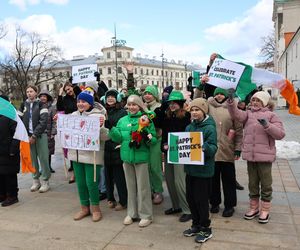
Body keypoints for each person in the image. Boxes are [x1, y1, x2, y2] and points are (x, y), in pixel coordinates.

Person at [227, 90, 285, 223]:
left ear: (264, 102)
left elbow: (280, 134)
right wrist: (231, 101)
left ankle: (265, 210)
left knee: (266, 184)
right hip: (251, 156)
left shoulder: (271, 115)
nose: (254, 102)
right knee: (252, 183)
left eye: (258, 100)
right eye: (253, 100)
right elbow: (236, 114)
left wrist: (267, 125)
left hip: (265, 157)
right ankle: (254, 208)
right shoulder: (248, 114)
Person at [109, 95, 157, 227]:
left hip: (141, 158)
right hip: (127, 158)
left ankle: (146, 215)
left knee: (143, 188)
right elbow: (118, 138)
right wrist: (111, 129)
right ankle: (131, 213)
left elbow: (153, 140)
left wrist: (146, 134)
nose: (131, 107)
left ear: (139, 106)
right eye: (129, 105)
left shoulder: (146, 119)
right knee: (130, 187)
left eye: (134, 104)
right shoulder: (122, 120)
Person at [68, 90, 109, 222]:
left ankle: (96, 208)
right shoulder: (73, 115)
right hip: (77, 155)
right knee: (80, 183)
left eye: (84, 101)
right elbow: (66, 132)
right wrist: (60, 122)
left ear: (90, 103)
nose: (80, 104)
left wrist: (101, 127)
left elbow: (106, 137)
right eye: (79, 101)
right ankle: (84, 208)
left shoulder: (98, 116)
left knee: (91, 183)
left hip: (92, 156)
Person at [183, 98, 217, 243]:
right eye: (192, 110)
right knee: (191, 199)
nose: (194, 112)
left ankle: (205, 228)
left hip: (203, 171)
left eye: (197, 110)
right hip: (190, 170)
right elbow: (183, 144)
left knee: (201, 200)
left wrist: (205, 147)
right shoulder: (189, 127)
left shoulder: (209, 128)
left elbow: (213, 148)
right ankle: (196, 224)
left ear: (204, 111)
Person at [207, 88, 243, 217]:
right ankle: (214, 203)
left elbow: (238, 130)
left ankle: (229, 205)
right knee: (213, 180)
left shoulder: (233, 108)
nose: (219, 96)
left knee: (229, 180)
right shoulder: (208, 106)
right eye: (217, 93)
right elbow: (197, 101)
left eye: (222, 93)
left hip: (227, 149)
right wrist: (200, 87)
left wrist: (238, 148)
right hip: (212, 150)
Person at [159, 90, 192, 222]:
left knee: (180, 181)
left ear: (180, 103)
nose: (172, 105)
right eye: (170, 103)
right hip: (169, 151)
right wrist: (163, 146)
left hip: (181, 153)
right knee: (170, 179)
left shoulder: (187, 116)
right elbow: (158, 123)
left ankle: (187, 209)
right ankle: (176, 205)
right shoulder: (167, 116)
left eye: (175, 103)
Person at [18, 85, 51, 193]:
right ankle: (36, 180)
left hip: (40, 135)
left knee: (43, 158)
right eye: (27, 91)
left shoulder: (42, 104)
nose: (29, 93)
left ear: (36, 92)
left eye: (31, 91)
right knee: (32, 160)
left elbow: (43, 122)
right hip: (28, 136)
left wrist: (34, 135)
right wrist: (26, 135)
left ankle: (45, 181)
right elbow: (19, 120)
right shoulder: (23, 104)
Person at [103, 89, 128, 211]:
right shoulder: (103, 111)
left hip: (116, 147)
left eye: (113, 96)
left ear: (117, 98)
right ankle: (110, 198)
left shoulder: (122, 112)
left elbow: (121, 130)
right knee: (107, 175)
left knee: (119, 176)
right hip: (105, 147)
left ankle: (123, 200)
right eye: (108, 97)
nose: (110, 99)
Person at [142, 85, 164, 205]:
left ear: (155, 94)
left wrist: (146, 110)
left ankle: (158, 190)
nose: (147, 95)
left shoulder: (159, 107)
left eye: (149, 93)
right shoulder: (142, 107)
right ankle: (149, 189)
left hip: (157, 139)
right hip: (144, 140)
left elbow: (156, 120)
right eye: (145, 93)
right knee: (146, 167)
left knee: (155, 167)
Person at [57, 81, 81, 183]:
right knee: (72, 150)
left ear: (73, 87)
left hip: (81, 125)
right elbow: (59, 108)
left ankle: (80, 172)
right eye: (66, 90)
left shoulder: (79, 95)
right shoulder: (65, 99)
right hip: (71, 127)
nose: (68, 91)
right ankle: (74, 174)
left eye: (69, 88)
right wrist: (59, 94)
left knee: (81, 149)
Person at [0, 95, 20, 206]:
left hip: (10, 151)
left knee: (9, 175)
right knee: (1, 175)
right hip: (1, 151)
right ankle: (2, 194)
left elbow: (17, 134)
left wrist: (13, 149)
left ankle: (12, 196)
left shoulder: (13, 115)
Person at [38, 90, 57, 173]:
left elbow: (54, 121)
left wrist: (53, 132)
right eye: (41, 96)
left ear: (47, 98)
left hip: (49, 132)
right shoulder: (37, 106)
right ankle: (42, 167)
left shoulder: (52, 108)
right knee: (41, 151)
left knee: (48, 151)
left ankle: (48, 166)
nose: (43, 98)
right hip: (40, 132)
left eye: (44, 96)